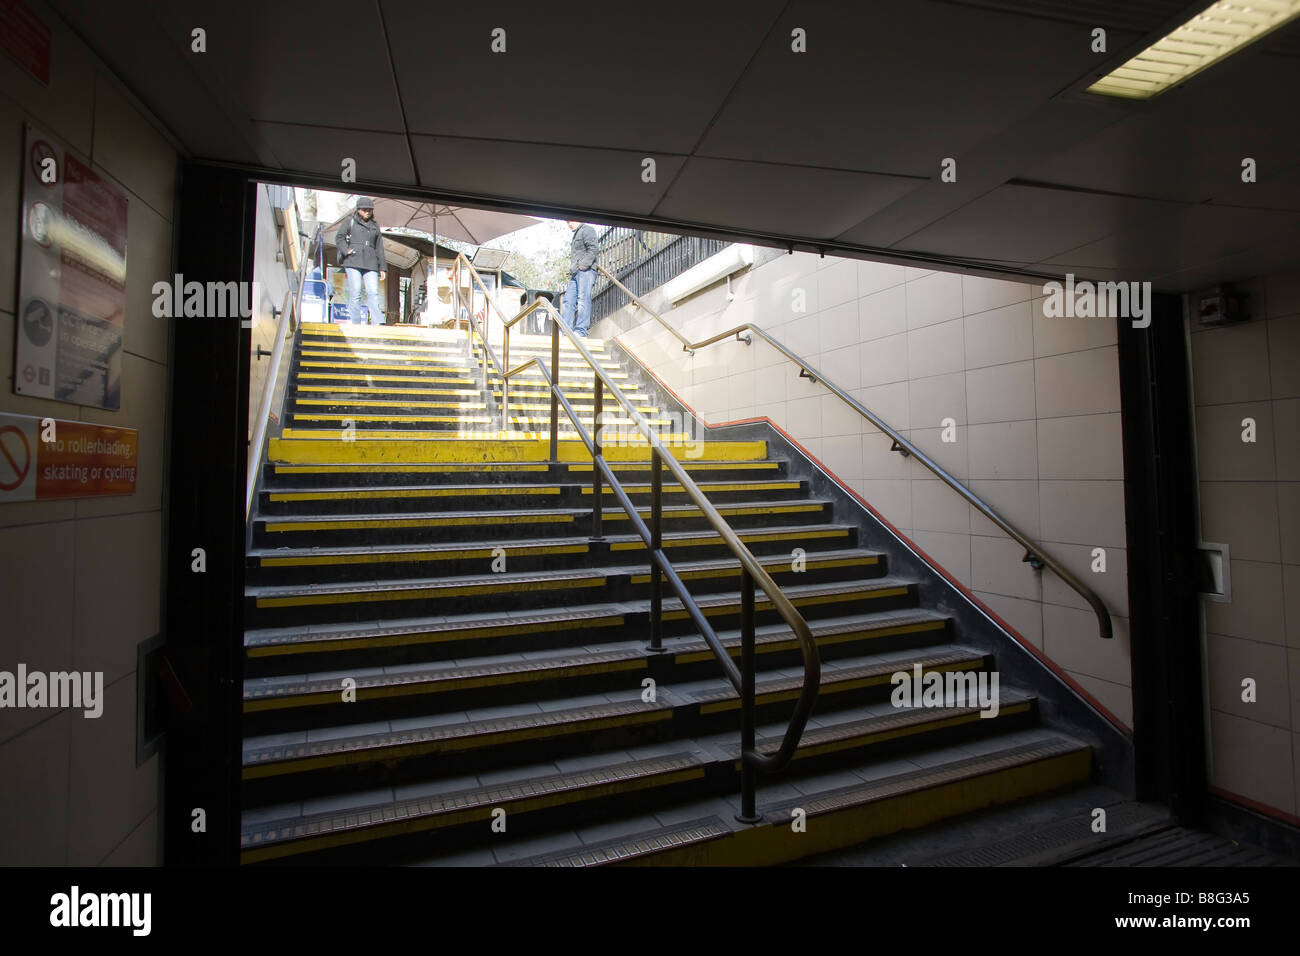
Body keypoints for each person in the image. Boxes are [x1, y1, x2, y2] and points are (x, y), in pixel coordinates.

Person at [334, 197, 386, 325]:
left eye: (370, 209)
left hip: (371, 263)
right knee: (355, 292)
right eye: (364, 209)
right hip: (353, 260)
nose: (367, 211)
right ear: (358, 210)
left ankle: (377, 322)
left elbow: (379, 247)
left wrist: (383, 268)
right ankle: (356, 322)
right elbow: (339, 238)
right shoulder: (349, 221)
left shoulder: (375, 225)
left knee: (373, 292)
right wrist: (347, 250)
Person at [561, 220, 599, 337]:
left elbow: (593, 249)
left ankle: (581, 331)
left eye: (571, 221)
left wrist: (583, 265)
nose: (569, 224)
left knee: (583, 300)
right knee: (568, 300)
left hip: (586, 271)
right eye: (567, 222)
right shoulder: (577, 233)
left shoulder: (587, 230)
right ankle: (565, 330)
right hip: (576, 272)